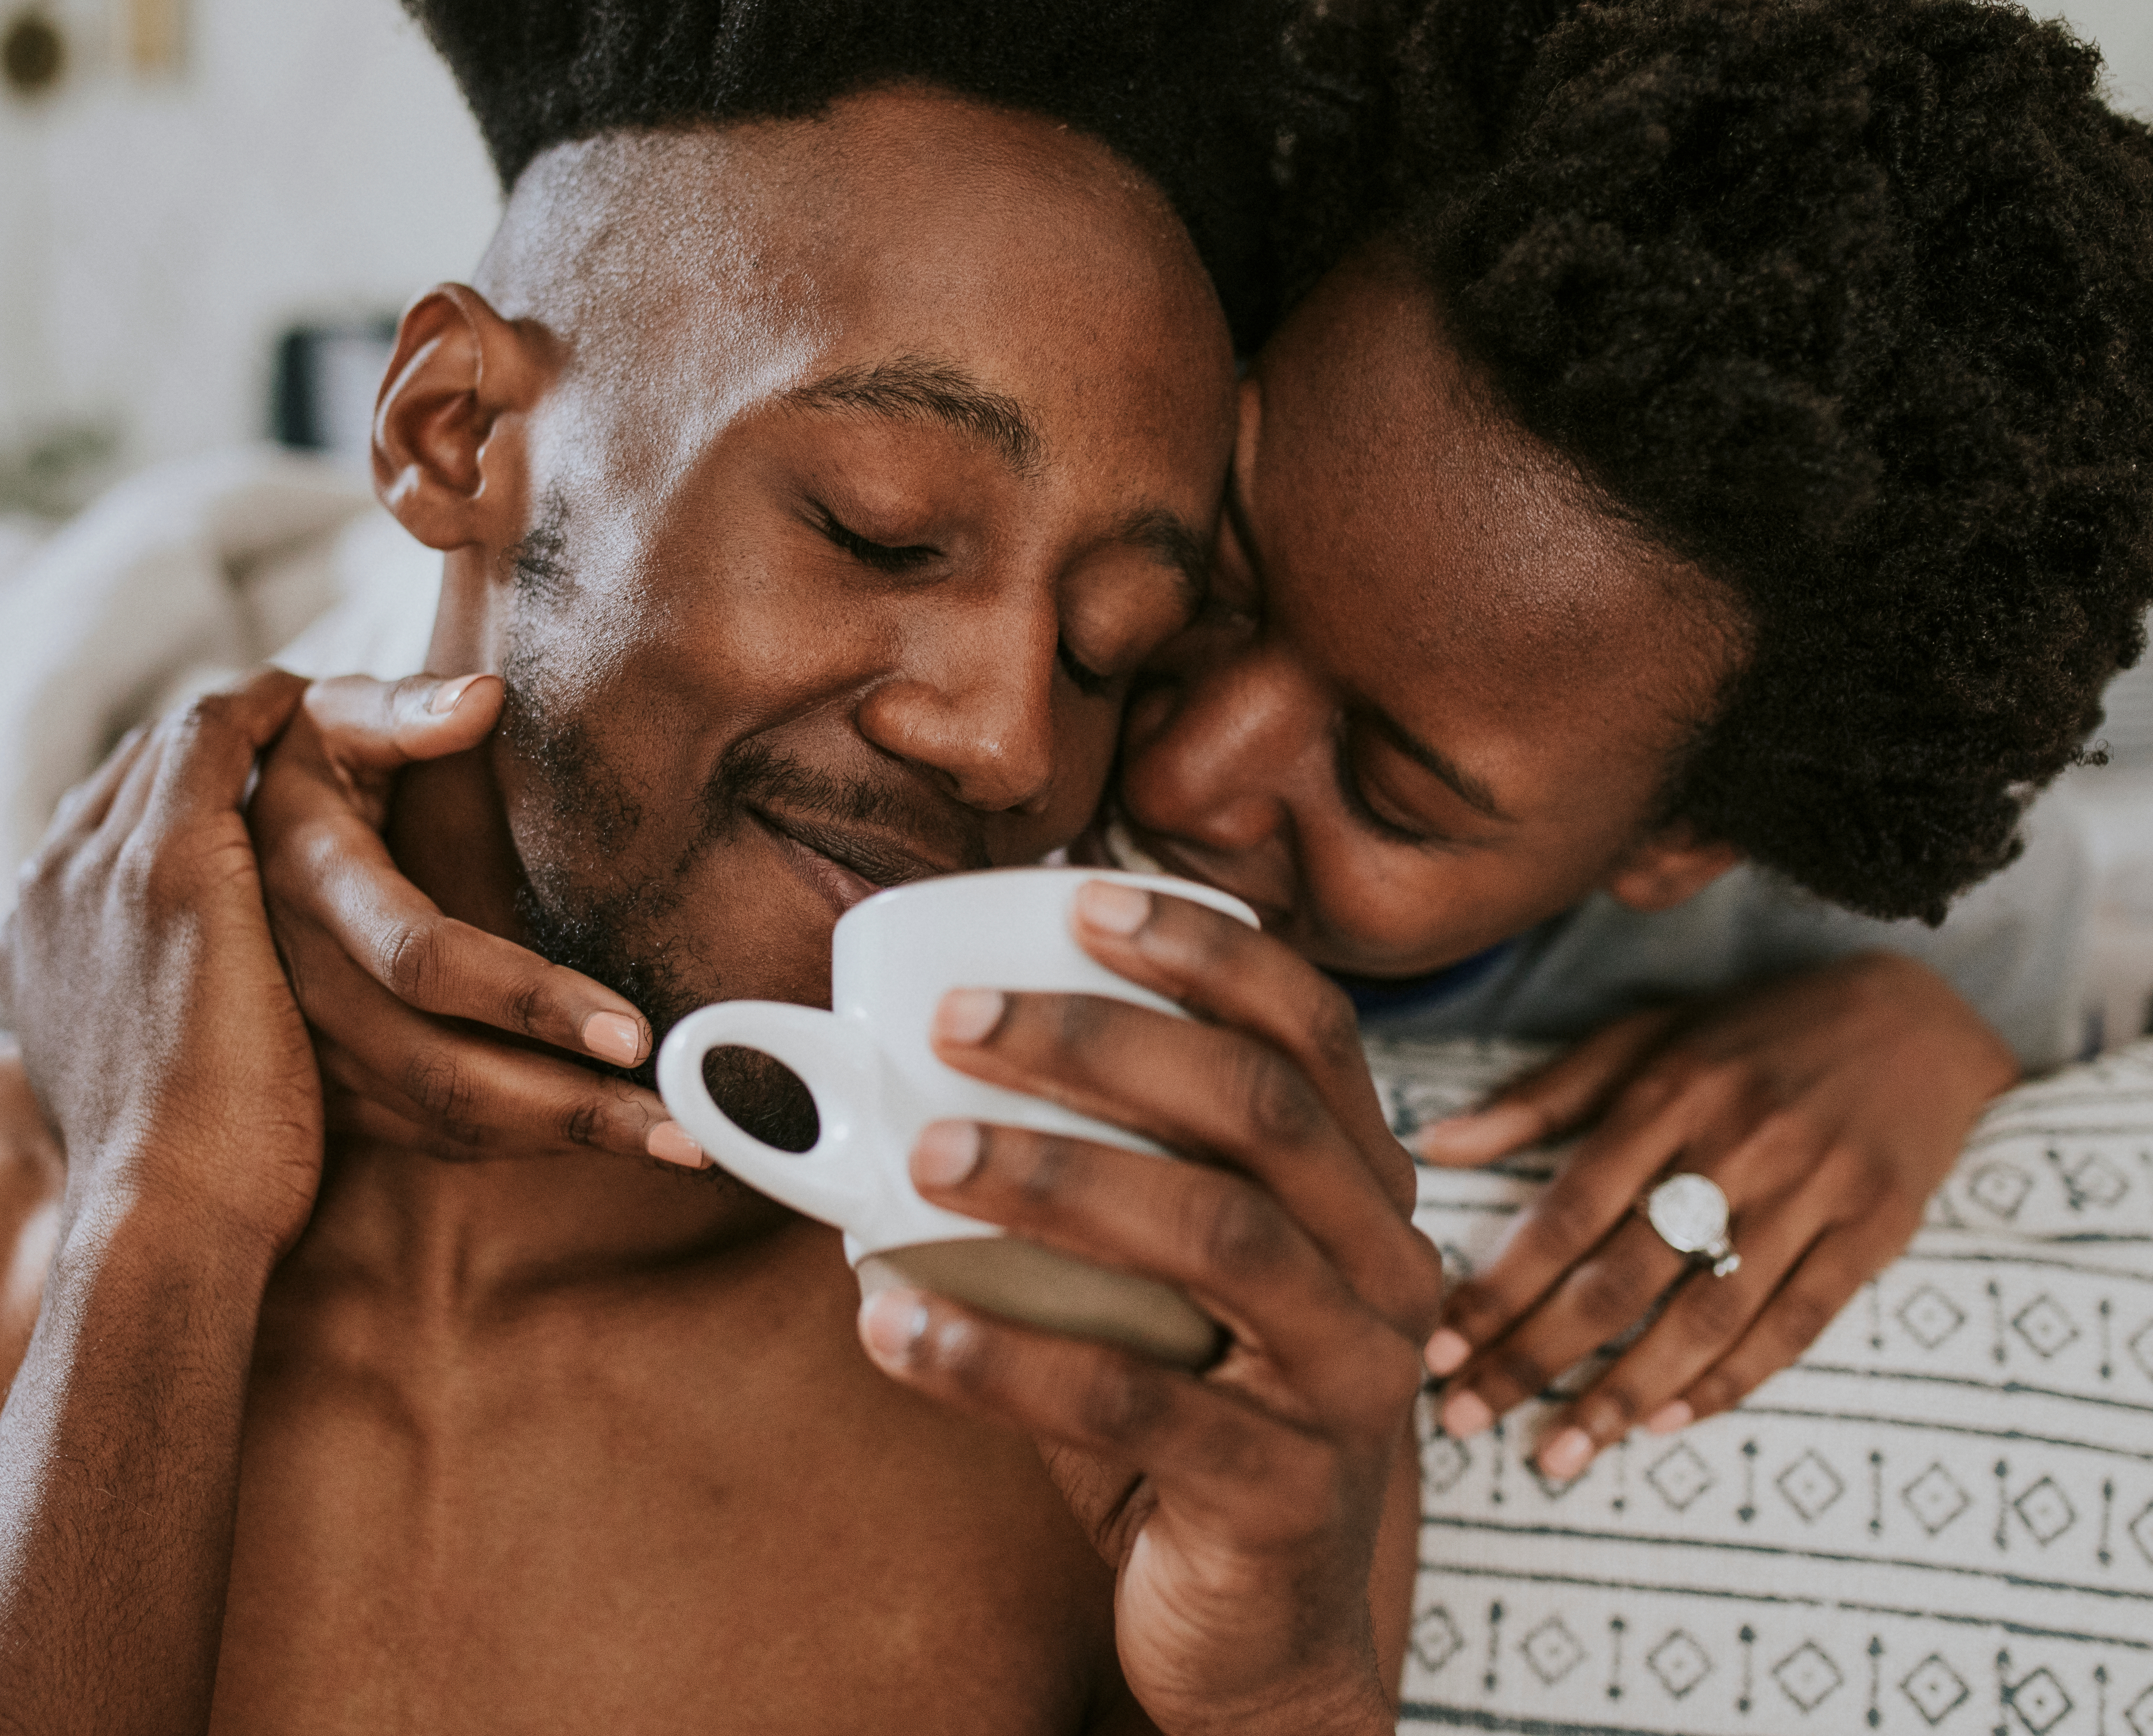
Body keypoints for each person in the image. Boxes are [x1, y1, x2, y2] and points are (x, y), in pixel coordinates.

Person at [0, 5, 1448, 1736]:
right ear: (453, 436)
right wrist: (161, 1232)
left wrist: (1285, 1723)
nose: (1009, 743)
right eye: (883, 530)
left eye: (1111, 647)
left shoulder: (1145, 1432)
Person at [254, 0, 2153, 1491]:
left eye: (1396, 792)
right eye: (1201, 601)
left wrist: (1932, 1046)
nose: (1170, 770)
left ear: (1675, 851)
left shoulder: (1808, 919)